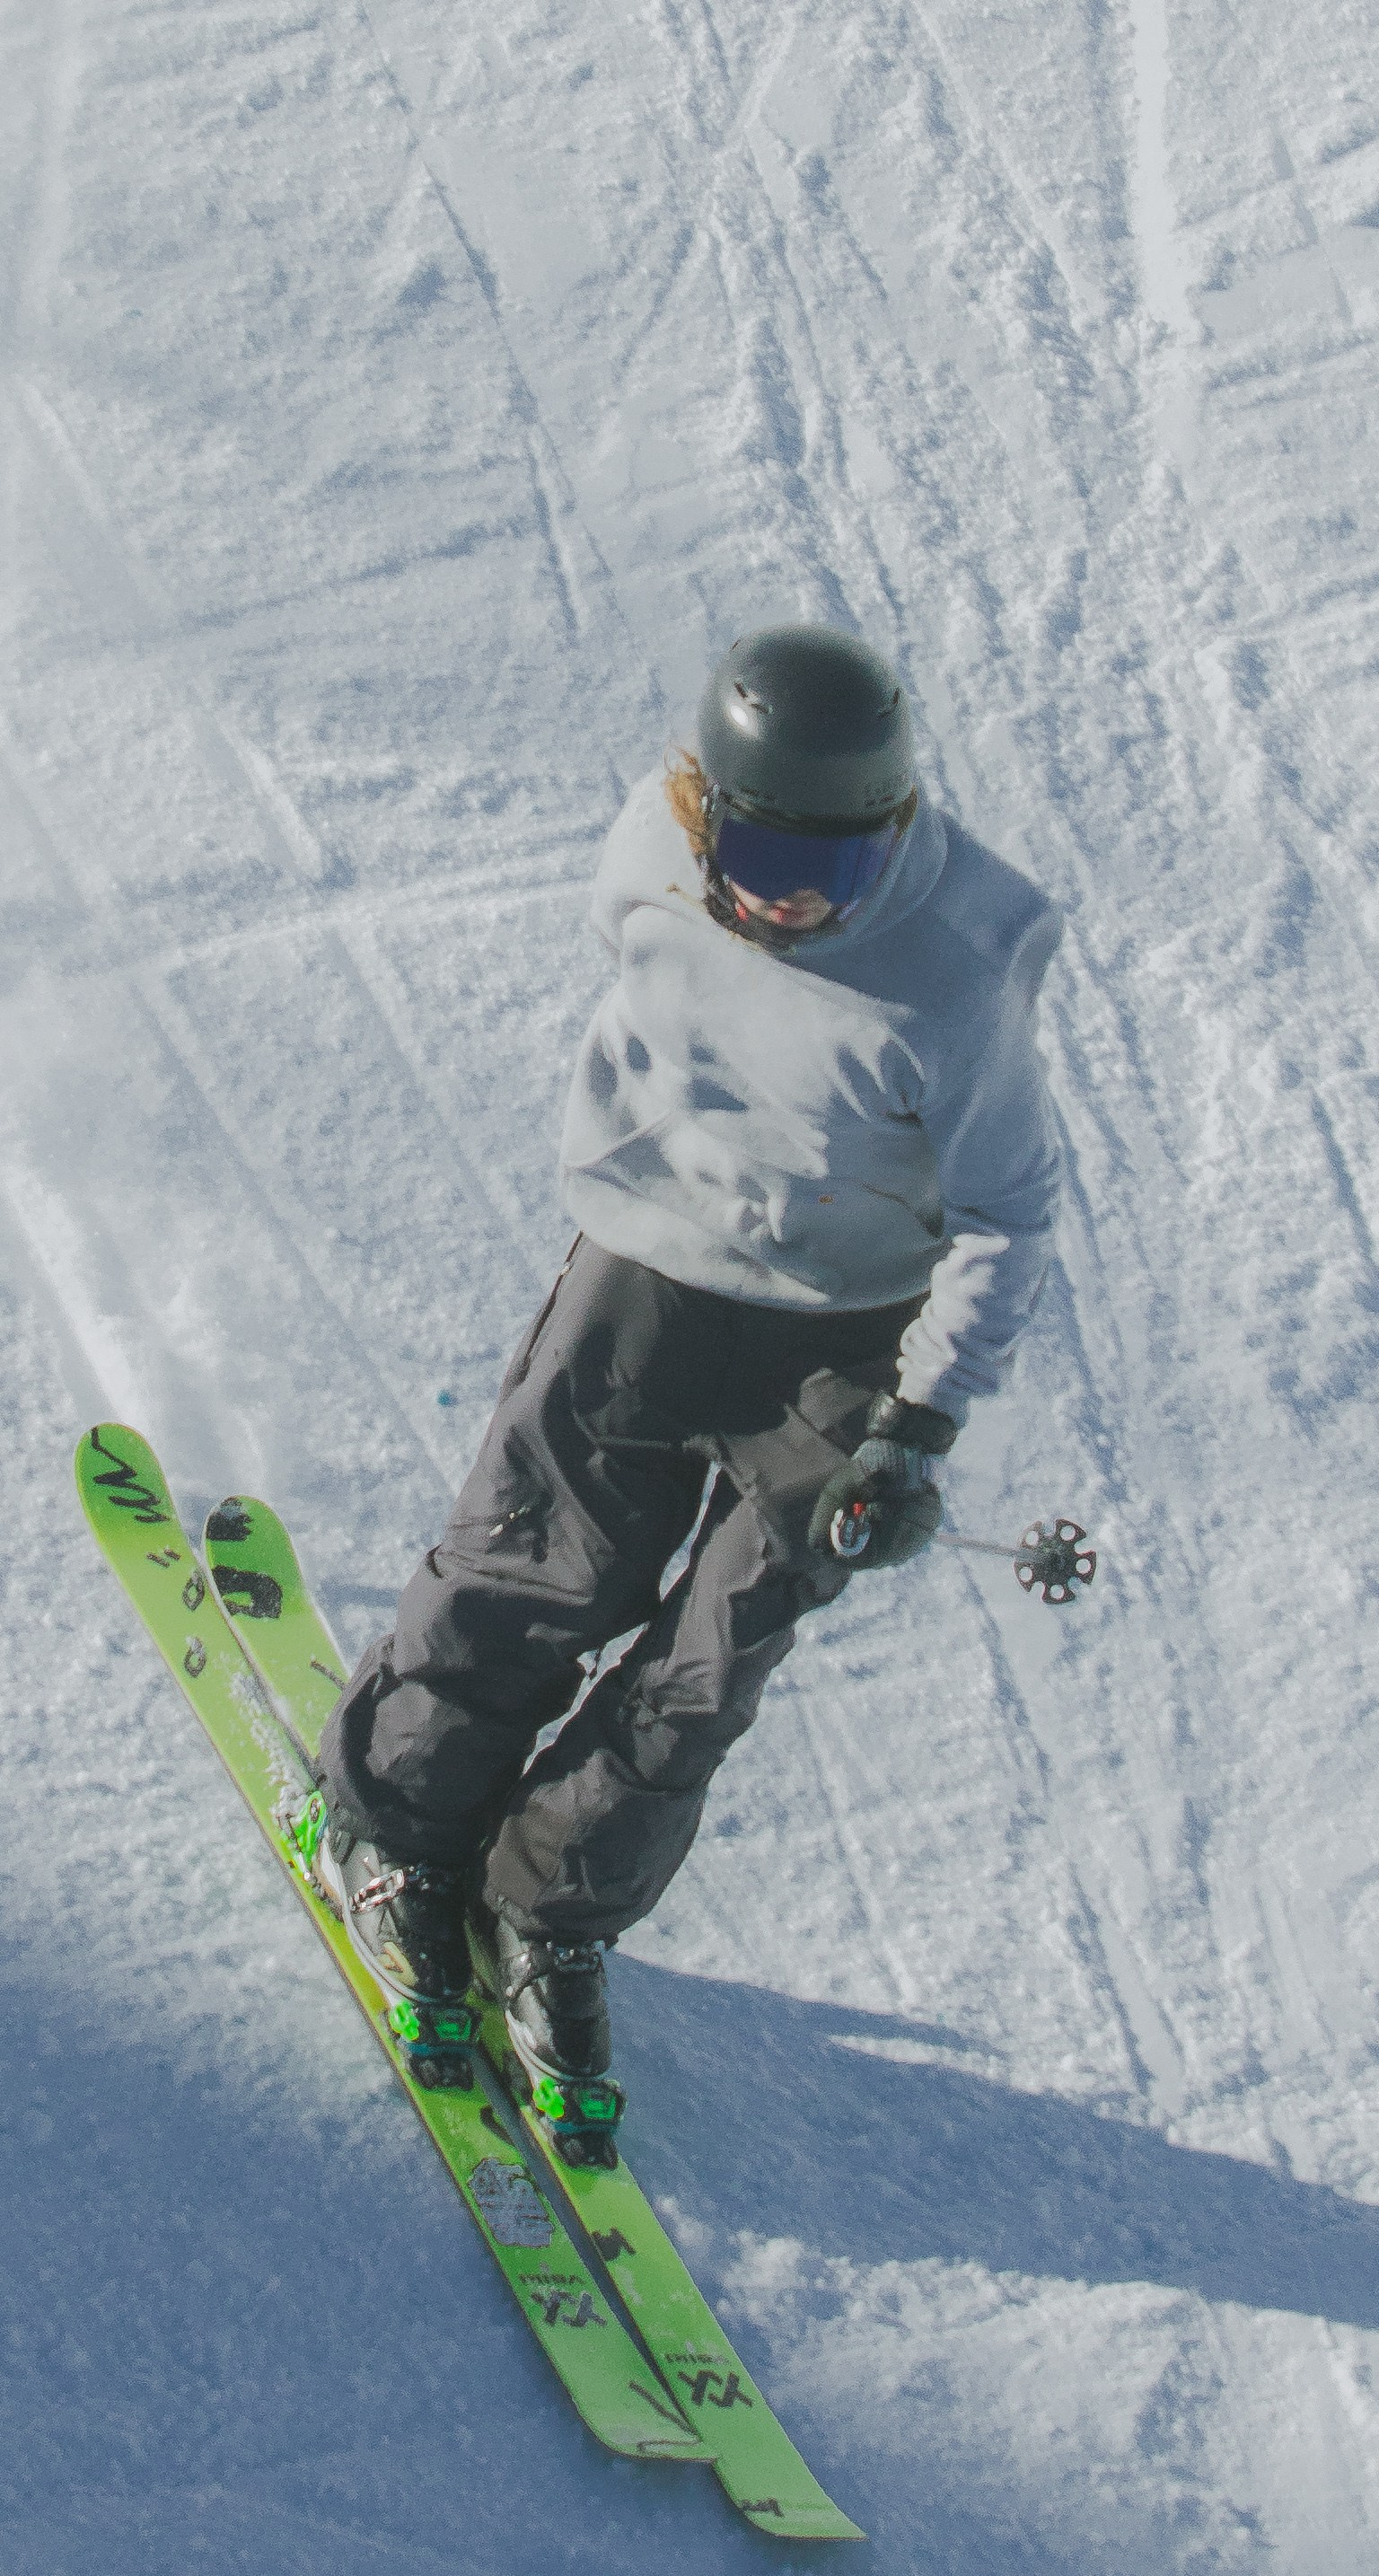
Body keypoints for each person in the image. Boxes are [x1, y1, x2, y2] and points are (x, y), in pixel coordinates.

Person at [315, 625, 1065, 2156]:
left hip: (850, 1329)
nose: (789, 895)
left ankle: (551, 1904)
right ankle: (398, 1825)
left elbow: (1013, 1215)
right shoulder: (653, 857)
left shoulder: (954, 986)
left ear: (896, 835)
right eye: (760, 847)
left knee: (711, 1660)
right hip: (654, 1268)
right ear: (700, 804)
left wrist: (915, 1425)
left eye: (833, 869)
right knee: (543, 1564)